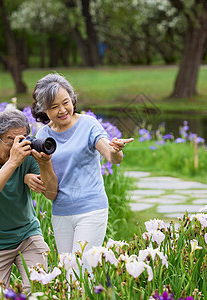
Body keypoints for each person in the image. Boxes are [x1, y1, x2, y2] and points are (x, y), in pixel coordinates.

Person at [28, 73, 133, 258]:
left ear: (72, 99)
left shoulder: (88, 124)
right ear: (43, 109)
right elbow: (50, 191)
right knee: (68, 273)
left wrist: (116, 150)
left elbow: (112, 156)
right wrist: (29, 175)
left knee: (83, 270)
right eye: (54, 107)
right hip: (60, 212)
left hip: (91, 208)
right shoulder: (42, 135)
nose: (62, 110)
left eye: (66, 102)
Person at [0, 108, 58, 293]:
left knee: (40, 291)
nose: (18, 145)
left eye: (22, 139)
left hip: (27, 235)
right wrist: (13, 163)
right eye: (11, 140)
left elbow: (51, 193)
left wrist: (45, 163)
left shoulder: (26, 155)